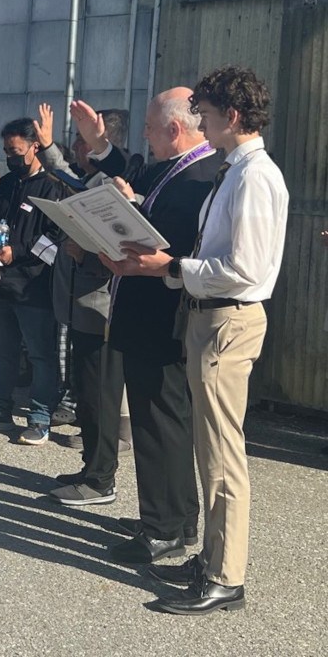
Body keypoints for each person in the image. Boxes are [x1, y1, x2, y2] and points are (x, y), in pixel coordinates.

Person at [105, 67, 288, 614]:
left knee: (222, 457)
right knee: (210, 449)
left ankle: (226, 576)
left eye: (205, 115)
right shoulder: (236, 171)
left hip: (228, 320)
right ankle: (212, 555)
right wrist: (172, 269)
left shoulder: (255, 176)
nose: (200, 125)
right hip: (210, 317)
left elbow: (244, 268)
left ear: (232, 116)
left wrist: (173, 267)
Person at [69, 88, 222, 564]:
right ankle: (178, 518)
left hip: (163, 316)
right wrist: (98, 144)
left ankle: (162, 529)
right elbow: (134, 171)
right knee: (166, 422)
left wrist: (131, 213)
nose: (145, 136)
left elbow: (177, 241)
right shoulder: (174, 166)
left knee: (160, 425)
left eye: (152, 128)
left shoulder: (202, 175)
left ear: (175, 129)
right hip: (145, 310)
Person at [32, 104, 134, 501]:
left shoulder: (119, 183)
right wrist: (47, 146)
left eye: (83, 139)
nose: (77, 147)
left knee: (100, 397)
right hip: (79, 305)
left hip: (101, 307)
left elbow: (124, 243)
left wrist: (86, 253)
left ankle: (100, 478)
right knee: (87, 394)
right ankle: (91, 465)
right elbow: (70, 181)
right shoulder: (95, 179)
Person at [0, 119, 65, 444]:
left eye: (16, 151)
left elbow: (55, 237)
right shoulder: (6, 182)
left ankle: (39, 417)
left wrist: (16, 253)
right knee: (4, 352)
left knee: (39, 355)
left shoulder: (52, 185)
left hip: (33, 286)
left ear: (35, 146)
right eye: (7, 151)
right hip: (1, 282)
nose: (11, 157)